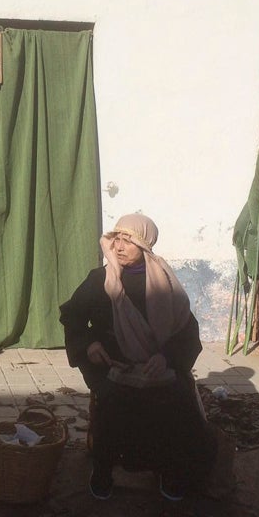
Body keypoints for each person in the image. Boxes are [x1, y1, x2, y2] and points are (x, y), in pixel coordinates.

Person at [59, 213, 217, 501]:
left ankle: (170, 471)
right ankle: (103, 471)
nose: (119, 247)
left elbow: (187, 331)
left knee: (178, 401)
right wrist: (89, 343)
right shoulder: (99, 280)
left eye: (128, 241)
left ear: (145, 246)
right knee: (113, 400)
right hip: (114, 365)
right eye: (116, 239)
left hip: (160, 366)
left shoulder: (164, 282)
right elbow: (72, 316)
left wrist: (167, 358)